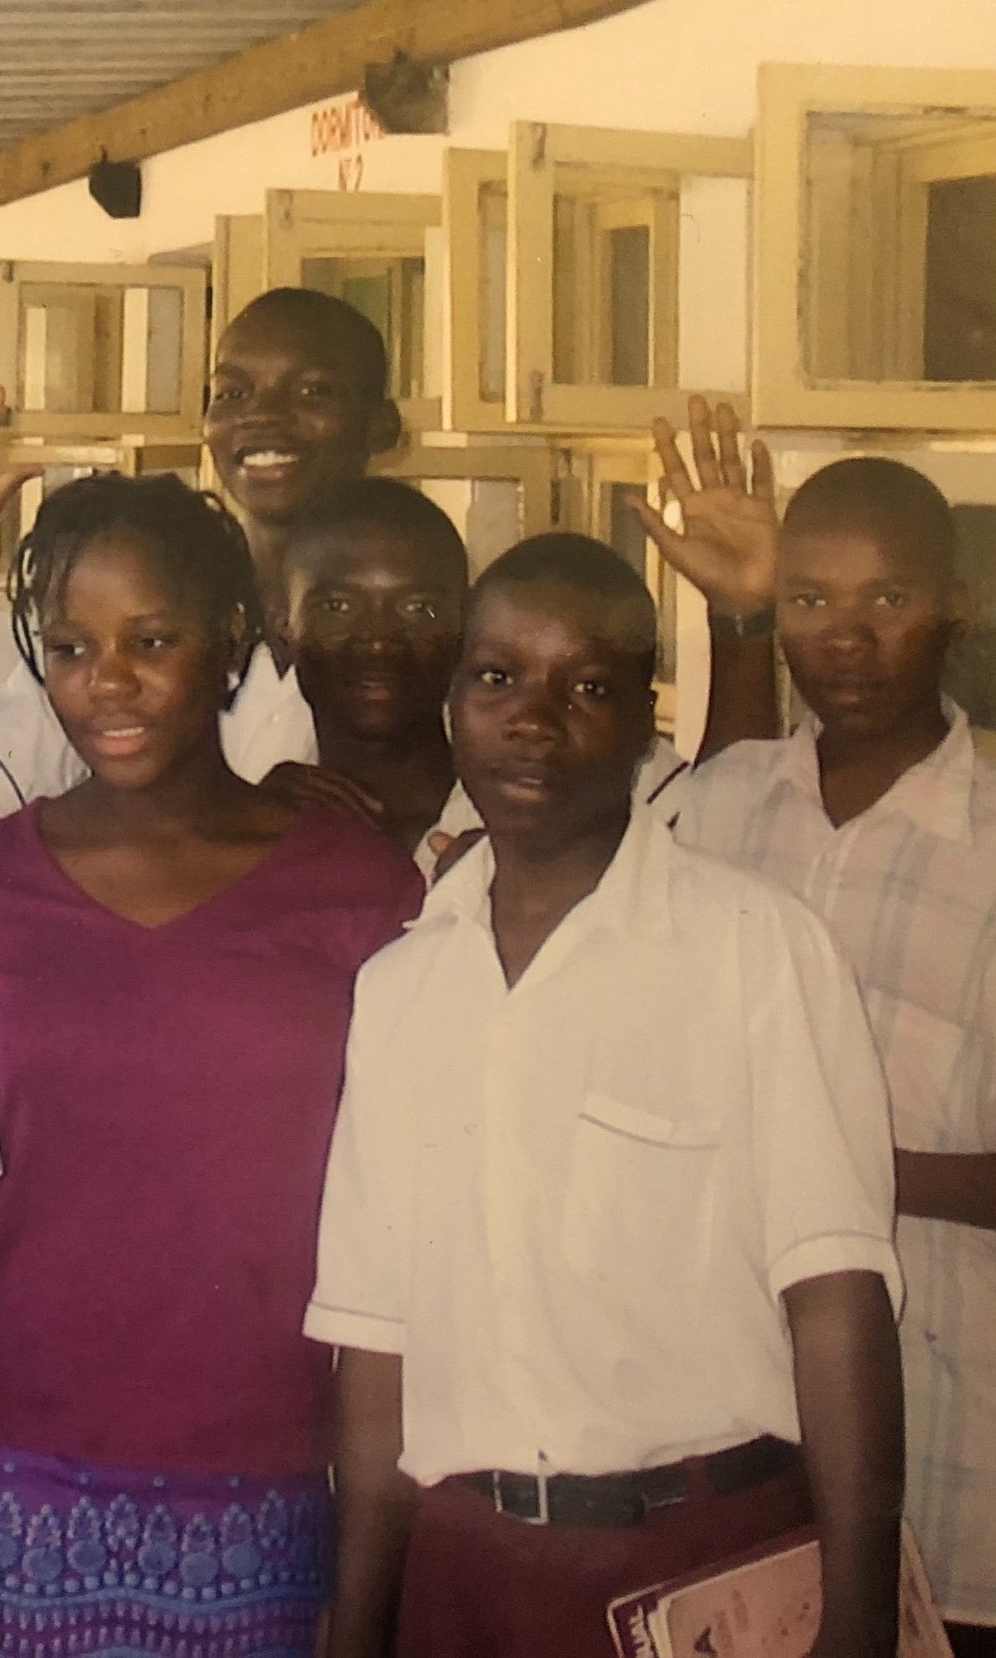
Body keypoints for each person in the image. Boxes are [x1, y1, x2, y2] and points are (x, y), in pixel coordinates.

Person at [310, 533, 906, 1658]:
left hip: (701, 1565)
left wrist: (860, 1617)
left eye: (587, 687)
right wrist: (358, 1629)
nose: (535, 719)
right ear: (452, 702)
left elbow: (837, 1299)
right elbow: (373, 1352)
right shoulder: (399, 987)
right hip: (465, 1578)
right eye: (497, 679)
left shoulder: (751, 946)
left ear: (644, 722)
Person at [0, 472, 423, 1657]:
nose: (110, 682)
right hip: (4, 1481)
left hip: (267, 1484)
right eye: (73, 646)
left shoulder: (359, 889)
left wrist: (370, 1570)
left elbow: (399, 1241)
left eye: (153, 640)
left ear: (234, 641)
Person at [672, 456, 996, 1655]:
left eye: (887, 602)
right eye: (811, 602)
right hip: (732, 1461)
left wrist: (840, 1172)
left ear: (955, 606)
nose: (847, 640)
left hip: (959, 1466)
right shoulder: (724, 809)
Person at [0, 287, 402, 842]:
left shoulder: (428, 630)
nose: (262, 415)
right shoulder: (122, 620)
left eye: (312, 389)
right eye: (231, 392)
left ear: (380, 425)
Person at [269, 477, 465, 861]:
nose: (378, 640)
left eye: (417, 608)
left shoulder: (530, 828)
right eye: (338, 607)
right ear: (283, 625)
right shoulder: (253, 827)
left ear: (467, 623)